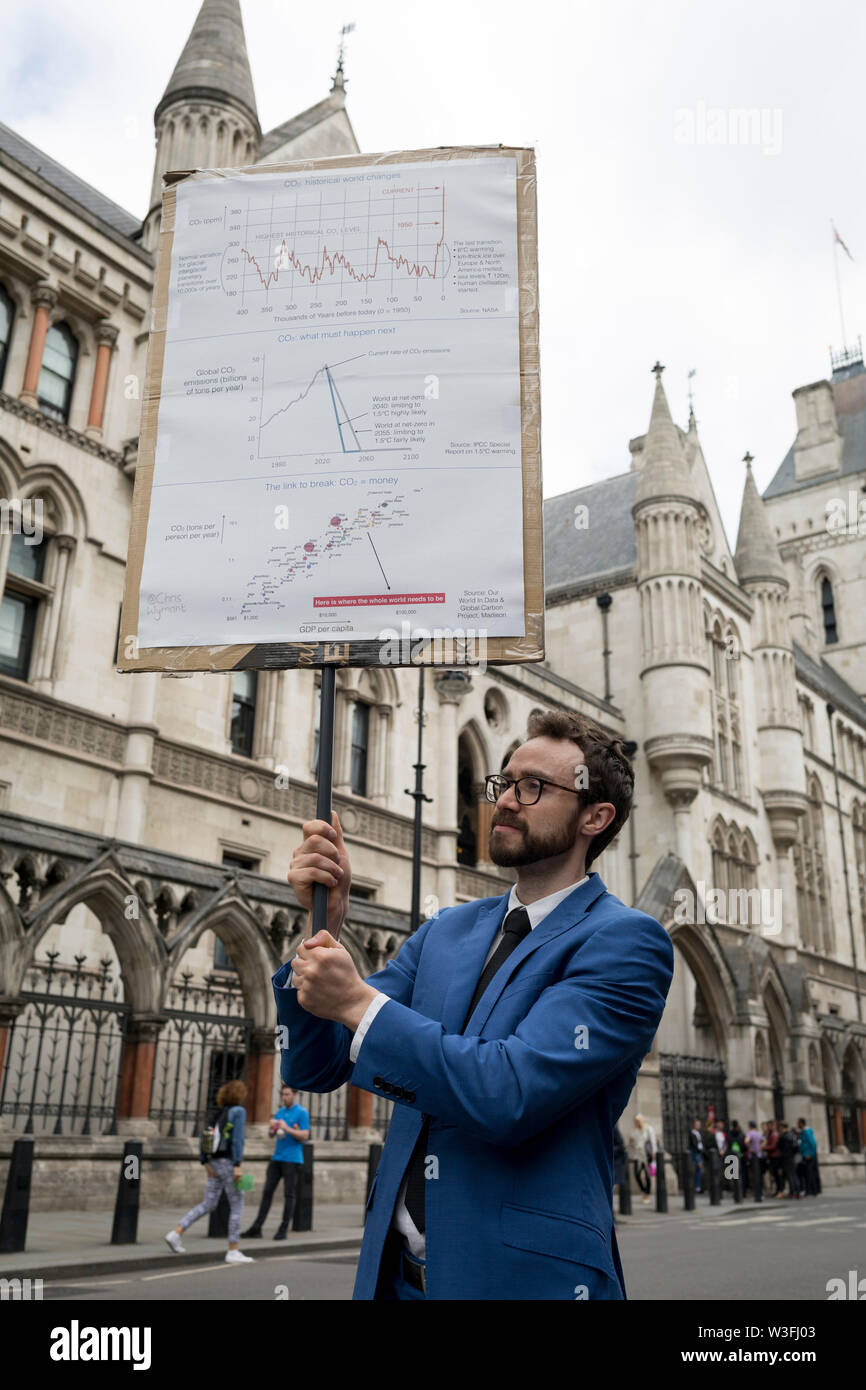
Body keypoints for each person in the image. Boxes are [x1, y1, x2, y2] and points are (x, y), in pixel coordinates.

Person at [275, 710, 674, 1300]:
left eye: (534, 787)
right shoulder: (447, 931)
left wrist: (359, 1001)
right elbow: (317, 1064)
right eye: (505, 783)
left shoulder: (626, 941)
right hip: (395, 1282)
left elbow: (509, 1094)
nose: (507, 801)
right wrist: (323, 931)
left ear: (596, 815)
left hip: (522, 1283)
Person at [166, 1078, 252, 1264]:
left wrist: (205, 1162)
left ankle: (176, 1232)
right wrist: (237, 1164)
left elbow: (204, 1136)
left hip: (213, 1163)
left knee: (208, 1203)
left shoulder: (216, 1113)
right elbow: (237, 1140)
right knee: (237, 1204)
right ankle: (233, 1249)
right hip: (229, 1162)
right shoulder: (239, 1111)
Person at [242, 1085, 310, 1238]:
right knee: (267, 1192)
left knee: (289, 1194)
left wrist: (287, 1128)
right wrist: (272, 1129)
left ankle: (283, 1229)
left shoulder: (302, 1113)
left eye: (287, 1095)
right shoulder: (280, 1112)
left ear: (294, 1095)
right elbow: (272, 1135)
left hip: (292, 1159)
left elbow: (305, 1136)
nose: (284, 1097)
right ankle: (257, 1227)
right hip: (277, 1158)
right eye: (283, 1095)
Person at [628, 1114, 657, 1204]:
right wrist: (631, 1142)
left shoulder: (648, 1129)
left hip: (646, 1155)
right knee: (637, 1174)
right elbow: (633, 1144)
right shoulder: (635, 1131)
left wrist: (654, 1153)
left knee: (647, 1175)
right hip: (638, 1156)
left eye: (637, 1121)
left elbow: (653, 1141)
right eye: (635, 1121)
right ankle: (644, 1190)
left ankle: (646, 1194)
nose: (636, 1123)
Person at [778, 1121, 801, 1199]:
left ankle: (793, 1192)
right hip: (792, 1157)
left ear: (782, 1127)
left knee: (790, 1175)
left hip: (786, 1158)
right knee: (794, 1175)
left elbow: (780, 1148)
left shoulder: (783, 1137)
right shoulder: (792, 1135)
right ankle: (797, 1191)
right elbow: (796, 1147)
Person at [797, 1117, 819, 1196]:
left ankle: (811, 1190)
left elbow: (813, 1143)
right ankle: (812, 1190)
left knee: (809, 1173)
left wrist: (810, 1154)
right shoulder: (804, 1132)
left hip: (808, 1155)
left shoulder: (807, 1132)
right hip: (805, 1154)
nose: (797, 1124)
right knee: (807, 1173)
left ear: (802, 1123)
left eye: (798, 1123)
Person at [744, 1120, 762, 1194]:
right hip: (759, 1155)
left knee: (753, 1174)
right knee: (759, 1173)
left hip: (752, 1156)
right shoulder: (758, 1133)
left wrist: (750, 1149)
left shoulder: (750, 1133)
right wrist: (760, 1148)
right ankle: (759, 1191)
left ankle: (755, 1191)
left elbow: (746, 1141)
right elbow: (764, 1140)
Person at [688, 1118, 704, 1194]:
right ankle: (697, 1187)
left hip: (699, 1153)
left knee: (699, 1170)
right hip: (695, 1153)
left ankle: (699, 1186)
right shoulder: (692, 1133)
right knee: (698, 1169)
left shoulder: (698, 1133)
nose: (699, 1126)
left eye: (699, 1124)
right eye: (697, 1124)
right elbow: (694, 1145)